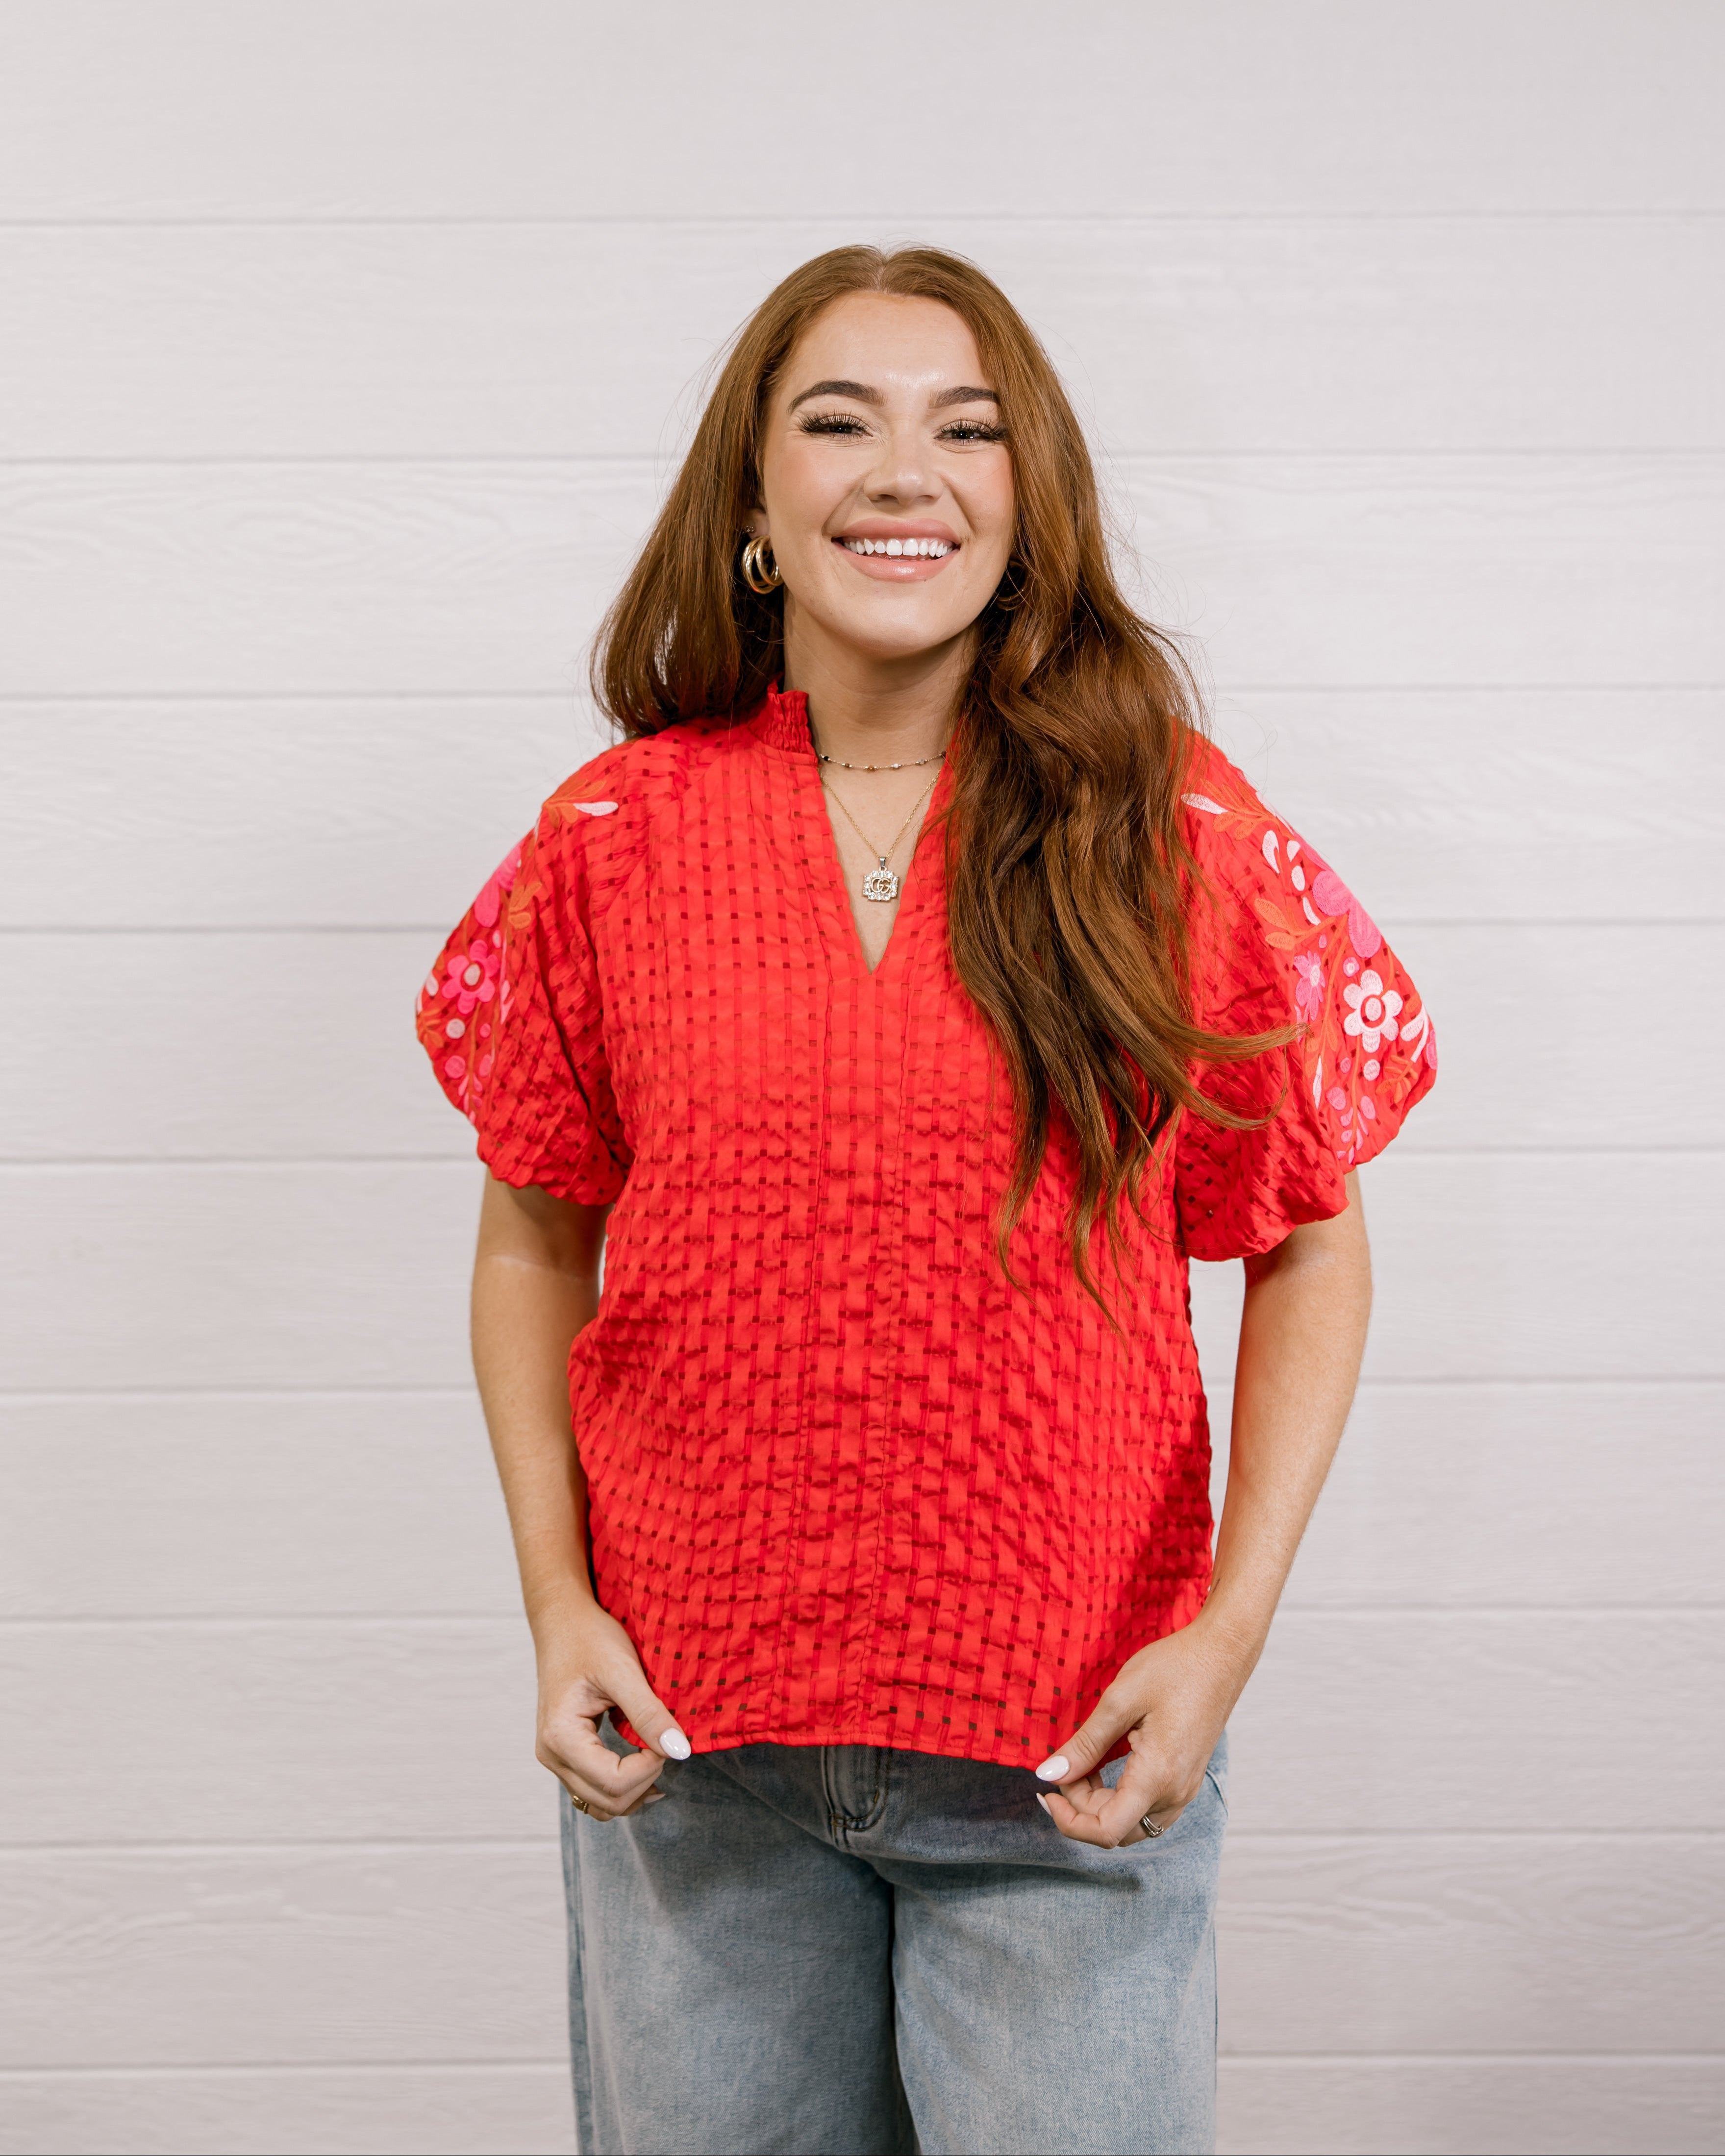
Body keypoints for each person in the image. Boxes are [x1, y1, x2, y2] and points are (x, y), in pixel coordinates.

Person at [416, 245, 1435, 2156]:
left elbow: (1309, 1236)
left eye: (967, 430)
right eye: (840, 422)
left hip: (1071, 1760)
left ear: (1028, 497)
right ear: (752, 502)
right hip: (695, 1757)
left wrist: (1224, 1636)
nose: (906, 472)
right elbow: (532, 1232)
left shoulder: (1171, 833)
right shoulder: (609, 843)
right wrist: (556, 1601)